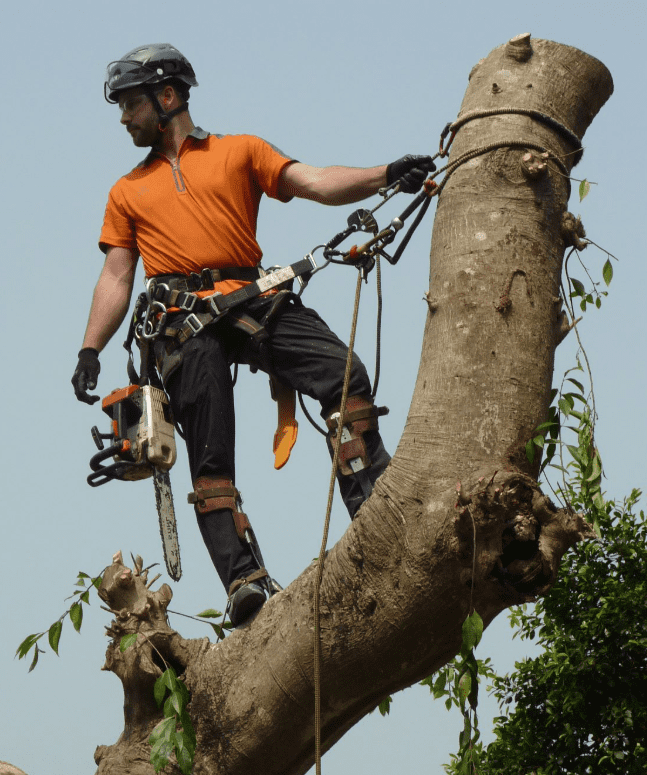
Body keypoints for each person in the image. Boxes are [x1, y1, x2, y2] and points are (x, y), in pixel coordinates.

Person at [72, 43, 435, 626]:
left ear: (167, 98)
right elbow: (117, 274)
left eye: (130, 104)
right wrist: (90, 347)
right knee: (210, 454)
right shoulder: (126, 191)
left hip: (250, 299)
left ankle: (374, 507)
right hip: (180, 321)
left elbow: (314, 181)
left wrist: (386, 174)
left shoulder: (239, 152)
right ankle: (243, 582)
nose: (122, 117)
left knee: (345, 375)